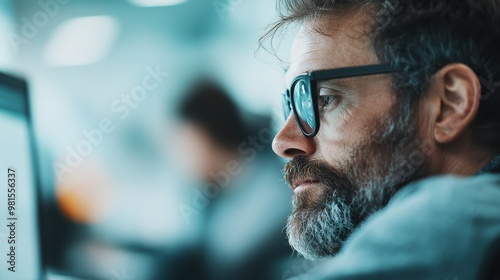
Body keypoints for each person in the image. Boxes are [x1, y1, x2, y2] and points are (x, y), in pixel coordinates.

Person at [261, 0, 500, 279]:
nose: (282, 141)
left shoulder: (448, 215)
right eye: (293, 104)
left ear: (449, 104)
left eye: (325, 99)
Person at [156, 79, 299, 280]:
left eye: (181, 147)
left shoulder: (271, 196)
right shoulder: (215, 195)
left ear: (202, 137)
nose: (178, 161)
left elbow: (225, 267)